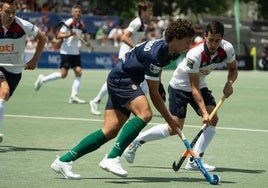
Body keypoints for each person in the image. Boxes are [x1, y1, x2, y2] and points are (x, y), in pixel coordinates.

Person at [50, 18, 195, 179]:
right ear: (175, 38)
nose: (188, 47)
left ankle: (64, 160)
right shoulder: (157, 53)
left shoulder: (173, 51)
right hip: (123, 79)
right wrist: (170, 120)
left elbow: (157, 72)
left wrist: (159, 85)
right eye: (187, 42)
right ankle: (112, 157)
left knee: (109, 131)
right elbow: (153, 94)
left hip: (121, 78)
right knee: (145, 114)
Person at [123, 20, 238, 171]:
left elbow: (233, 69)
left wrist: (229, 82)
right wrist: (203, 113)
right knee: (174, 128)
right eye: (210, 40)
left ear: (222, 38)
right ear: (205, 36)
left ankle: (194, 160)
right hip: (180, 86)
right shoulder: (195, 54)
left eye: (217, 40)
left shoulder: (227, 49)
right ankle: (135, 142)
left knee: (213, 119)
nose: (213, 44)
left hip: (200, 83)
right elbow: (193, 87)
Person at [89, 0, 153, 115]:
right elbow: (124, 37)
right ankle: (96, 101)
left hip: (131, 55)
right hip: (126, 55)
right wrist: (136, 49)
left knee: (142, 81)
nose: (151, 12)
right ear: (143, 11)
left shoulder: (142, 23)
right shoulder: (137, 22)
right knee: (121, 79)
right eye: (149, 10)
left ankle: (134, 104)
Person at [0, 0, 46, 142]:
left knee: (3, 98)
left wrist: (34, 60)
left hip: (15, 71)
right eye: (8, 12)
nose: (11, 15)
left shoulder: (22, 25)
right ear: (0, 10)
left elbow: (42, 37)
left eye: (14, 12)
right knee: (4, 91)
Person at [34, 4, 91, 104]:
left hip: (75, 52)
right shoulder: (69, 23)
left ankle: (74, 96)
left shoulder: (81, 25)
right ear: (72, 12)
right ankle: (42, 79)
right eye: (76, 11)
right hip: (66, 52)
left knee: (79, 72)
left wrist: (86, 42)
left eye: (79, 12)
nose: (77, 13)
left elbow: (83, 36)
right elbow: (59, 36)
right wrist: (70, 34)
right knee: (63, 74)